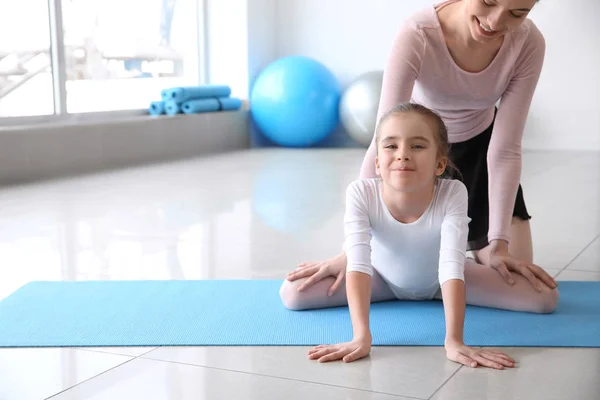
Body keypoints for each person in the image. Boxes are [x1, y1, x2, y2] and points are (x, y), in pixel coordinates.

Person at [288, 0, 558, 302]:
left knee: (528, 286)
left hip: (483, 157)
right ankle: (432, 275)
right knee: (374, 267)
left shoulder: (528, 43)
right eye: (488, 2)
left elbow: (505, 150)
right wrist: (349, 251)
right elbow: (383, 137)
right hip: (418, 158)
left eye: (517, 13)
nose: (495, 21)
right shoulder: (419, 32)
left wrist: (499, 242)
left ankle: (448, 272)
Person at [279, 103, 559, 369]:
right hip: (382, 280)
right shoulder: (361, 193)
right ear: (377, 163)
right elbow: (359, 264)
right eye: (391, 145)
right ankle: (390, 302)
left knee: (545, 298)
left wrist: (454, 341)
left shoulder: (453, 193)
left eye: (417, 146)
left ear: (440, 165)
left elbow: (451, 266)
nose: (402, 154)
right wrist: (361, 336)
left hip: (440, 281)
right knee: (292, 294)